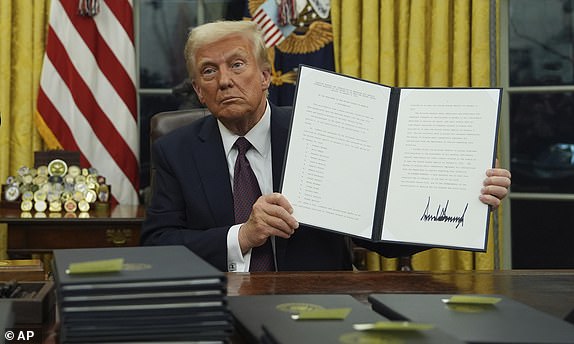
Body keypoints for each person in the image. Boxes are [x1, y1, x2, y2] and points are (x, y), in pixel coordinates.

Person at [141, 20, 512, 272]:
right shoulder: (176, 150)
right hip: (221, 304)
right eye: (209, 71)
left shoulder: (322, 129)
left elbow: (381, 236)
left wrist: (466, 198)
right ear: (198, 93)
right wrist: (243, 235)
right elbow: (158, 247)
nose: (224, 81)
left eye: (237, 65)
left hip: (324, 302)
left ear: (266, 76)